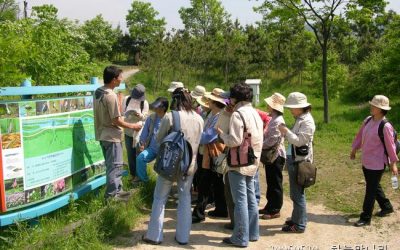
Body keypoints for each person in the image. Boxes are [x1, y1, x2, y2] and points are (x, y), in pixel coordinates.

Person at [143, 88, 204, 245]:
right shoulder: (199, 118)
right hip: (189, 165)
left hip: (169, 165)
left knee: (160, 198)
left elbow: (159, 138)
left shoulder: (171, 117)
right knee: (185, 198)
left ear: (175, 100)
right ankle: (183, 237)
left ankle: (154, 236)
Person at [216, 83, 263, 248]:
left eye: (231, 97)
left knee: (240, 201)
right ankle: (253, 233)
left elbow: (235, 140)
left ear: (236, 99)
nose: (229, 100)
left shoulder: (238, 115)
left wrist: (223, 136)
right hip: (252, 160)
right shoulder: (255, 113)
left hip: (238, 162)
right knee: (251, 199)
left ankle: (240, 237)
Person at [93, 66, 142, 199]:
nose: (121, 79)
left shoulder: (98, 91)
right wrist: (133, 126)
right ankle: (112, 196)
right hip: (112, 136)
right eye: (120, 77)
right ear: (114, 79)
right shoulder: (111, 96)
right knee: (114, 167)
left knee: (113, 165)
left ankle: (118, 191)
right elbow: (116, 120)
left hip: (102, 134)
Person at [350, 95, 398, 227]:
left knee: (370, 190)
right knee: (374, 185)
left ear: (381, 109)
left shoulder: (385, 126)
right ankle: (386, 206)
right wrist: (354, 148)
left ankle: (365, 218)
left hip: (377, 163)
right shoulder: (368, 120)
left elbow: (390, 146)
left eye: (374, 105)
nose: (371, 106)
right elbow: (360, 135)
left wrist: (393, 163)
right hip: (366, 161)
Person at [278, 92, 315, 233]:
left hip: (300, 162)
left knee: (298, 194)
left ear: (300, 108)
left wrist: (286, 131)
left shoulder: (307, 122)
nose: (290, 110)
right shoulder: (301, 119)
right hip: (295, 160)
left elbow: (299, 142)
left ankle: (299, 225)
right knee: (295, 193)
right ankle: (296, 219)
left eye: (292, 107)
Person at [192, 88, 228, 223]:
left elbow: (209, 136)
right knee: (216, 182)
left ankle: (199, 213)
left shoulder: (219, 117)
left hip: (213, 153)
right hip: (212, 153)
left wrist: (194, 136)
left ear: (214, 102)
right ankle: (221, 209)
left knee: (205, 182)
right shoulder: (214, 115)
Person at [259, 93, 286, 220]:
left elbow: (273, 140)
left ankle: (275, 209)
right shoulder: (274, 118)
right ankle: (270, 205)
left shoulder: (278, 121)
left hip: (276, 155)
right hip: (272, 155)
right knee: (271, 181)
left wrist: (259, 145)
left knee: (275, 182)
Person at [134, 97, 169, 184]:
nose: (154, 108)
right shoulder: (152, 117)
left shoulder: (169, 119)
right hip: (152, 149)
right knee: (140, 159)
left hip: (164, 151)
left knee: (162, 170)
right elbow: (144, 133)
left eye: (157, 106)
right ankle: (144, 181)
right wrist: (142, 144)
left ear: (163, 108)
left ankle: (162, 186)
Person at [122, 84, 149, 182]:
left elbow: (146, 117)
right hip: (128, 130)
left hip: (139, 132)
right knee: (130, 154)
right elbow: (122, 113)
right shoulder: (126, 99)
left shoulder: (144, 103)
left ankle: (140, 176)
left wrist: (140, 116)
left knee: (139, 154)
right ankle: (133, 175)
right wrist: (128, 115)